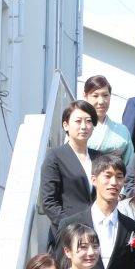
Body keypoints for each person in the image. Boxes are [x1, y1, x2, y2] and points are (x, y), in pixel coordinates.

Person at [60, 154, 135, 269]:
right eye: (107, 176)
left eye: (119, 177)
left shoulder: (134, 229)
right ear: (94, 180)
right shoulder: (70, 224)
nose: (114, 182)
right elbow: (62, 267)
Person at [41, 100, 98, 244]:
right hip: (67, 234)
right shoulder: (55, 156)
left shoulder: (100, 157)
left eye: (89, 121)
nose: (84, 126)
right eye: (78, 121)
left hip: (97, 233)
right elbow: (49, 202)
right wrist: (70, 227)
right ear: (65, 125)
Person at [83, 75, 134, 164]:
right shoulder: (77, 126)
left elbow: (130, 164)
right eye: (95, 96)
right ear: (85, 96)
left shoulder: (123, 131)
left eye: (105, 95)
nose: (101, 101)